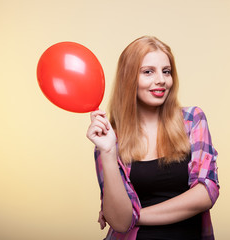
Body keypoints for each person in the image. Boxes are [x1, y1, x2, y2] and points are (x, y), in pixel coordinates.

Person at [86, 36, 219, 240]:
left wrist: (135, 216)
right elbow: (119, 222)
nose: (161, 80)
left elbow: (206, 193)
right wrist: (108, 151)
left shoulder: (192, 119)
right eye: (148, 72)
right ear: (128, 78)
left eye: (166, 71)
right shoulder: (110, 140)